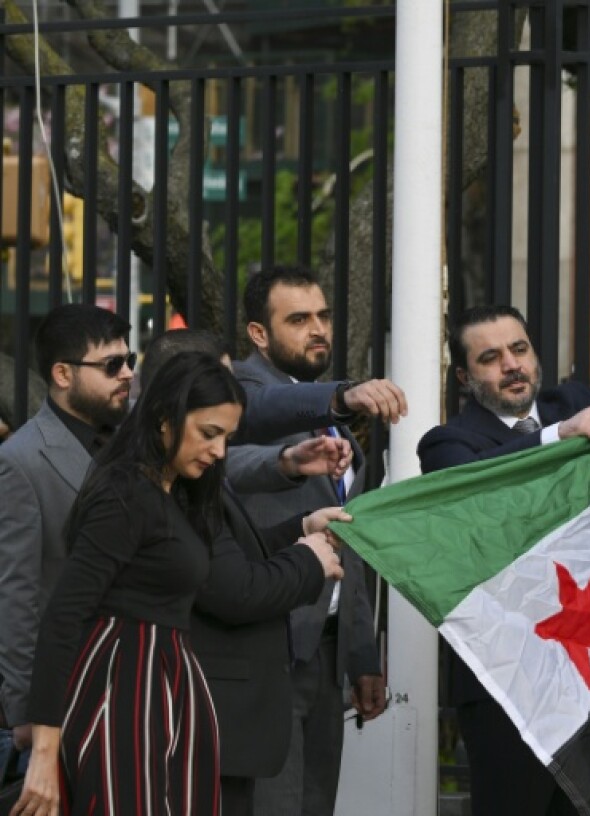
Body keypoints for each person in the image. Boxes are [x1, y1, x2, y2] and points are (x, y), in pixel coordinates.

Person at [12, 353, 247, 814]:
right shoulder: (125, 494)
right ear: (164, 420)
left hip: (169, 684)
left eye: (227, 438)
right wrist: (43, 753)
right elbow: (64, 614)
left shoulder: (174, 493)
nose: (219, 451)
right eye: (209, 433)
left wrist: (303, 533)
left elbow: (211, 570)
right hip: (123, 685)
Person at [417, 304, 590, 816]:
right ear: (465, 377)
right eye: (490, 357)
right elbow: (476, 486)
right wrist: (558, 436)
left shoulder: (576, 401)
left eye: (519, 349)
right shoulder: (447, 444)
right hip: (506, 683)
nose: (511, 365)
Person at [139, 330, 350, 816]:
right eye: (222, 384)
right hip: (198, 716)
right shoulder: (161, 477)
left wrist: (300, 527)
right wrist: (308, 560)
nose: (218, 448)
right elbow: (235, 589)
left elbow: (234, 553)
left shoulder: (192, 468)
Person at [226, 266, 404, 816]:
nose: (318, 329)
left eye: (322, 316)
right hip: (267, 646)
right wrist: (344, 396)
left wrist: (361, 656)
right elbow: (243, 453)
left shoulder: (332, 422)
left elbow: (344, 536)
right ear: (259, 334)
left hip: (325, 652)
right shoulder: (243, 391)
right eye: (298, 319)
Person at [0, 304, 133, 783]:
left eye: (129, 360)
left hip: (142, 679)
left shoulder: (135, 437)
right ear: (62, 373)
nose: (128, 375)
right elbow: (18, 594)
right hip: (70, 687)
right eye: (112, 365)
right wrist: (23, 710)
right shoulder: (21, 461)